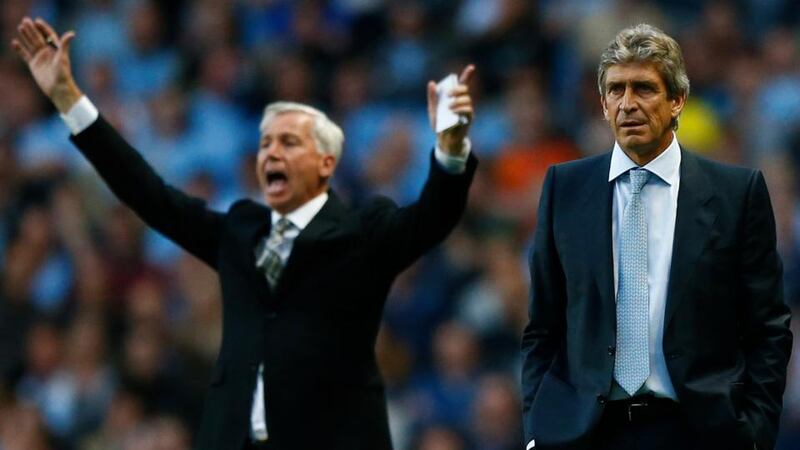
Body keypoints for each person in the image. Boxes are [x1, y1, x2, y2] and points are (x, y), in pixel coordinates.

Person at [11, 17, 477, 450]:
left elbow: (433, 217)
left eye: (288, 142)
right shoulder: (239, 231)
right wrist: (68, 99)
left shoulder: (363, 232)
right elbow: (147, 193)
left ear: (326, 164)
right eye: (265, 143)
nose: (270, 153)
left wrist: (451, 151)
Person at [520, 24, 792, 450]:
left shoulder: (735, 194)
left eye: (644, 88)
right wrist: (538, 430)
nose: (628, 103)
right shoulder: (564, 189)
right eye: (616, 90)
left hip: (697, 430)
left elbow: (767, 328)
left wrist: (755, 433)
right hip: (584, 434)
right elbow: (543, 327)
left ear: (677, 100)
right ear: (604, 105)